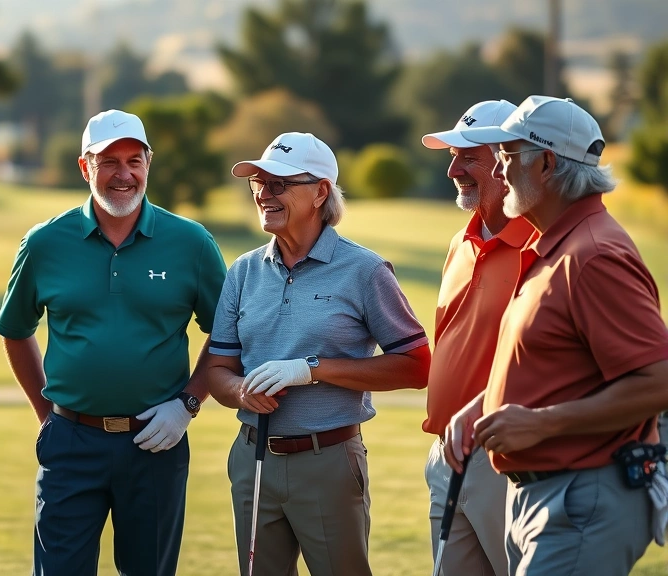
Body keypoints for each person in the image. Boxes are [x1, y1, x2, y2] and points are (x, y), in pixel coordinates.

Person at [0, 109, 227, 576]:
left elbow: (227, 334)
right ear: (85, 167)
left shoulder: (191, 242)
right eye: (109, 162)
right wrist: (49, 415)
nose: (124, 174)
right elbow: (16, 331)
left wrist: (187, 403)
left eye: (134, 160)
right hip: (71, 440)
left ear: (148, 164)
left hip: (156, 442)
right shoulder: (44, 242)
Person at [444, 96, 668, 575]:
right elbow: (558, 364)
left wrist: (541, 423)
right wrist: (482, 405)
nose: (499, 172)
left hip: (582, 495)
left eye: (507, 156)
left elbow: (658, 382)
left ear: (545, 163)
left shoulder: (593, 255)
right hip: (549, 495)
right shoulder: (559, 246)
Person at [207, 132, 432, 576]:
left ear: (320, 192)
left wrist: (311, 370)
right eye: (258, 184)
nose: (264, 195)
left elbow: (416, 366)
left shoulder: (364, 270)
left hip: (326, 460)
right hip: (253, 460)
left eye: (279, 184)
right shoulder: (243, 271)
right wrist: (240, 391)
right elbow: (217, 370)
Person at [420, 99, 531, 576]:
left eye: (468, 156)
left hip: (505, 460)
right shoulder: (459, 241)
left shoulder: (542, 245)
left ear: (507, 161)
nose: (452, 170)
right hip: (446, 454)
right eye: (453, 155)